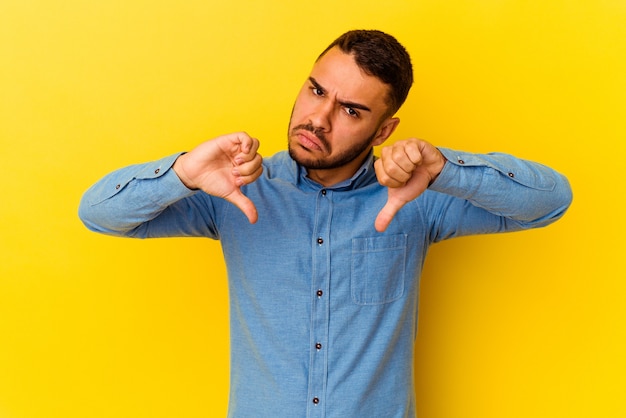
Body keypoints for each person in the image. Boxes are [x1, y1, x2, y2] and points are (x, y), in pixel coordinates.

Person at [79, 30, 572, 417]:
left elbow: (552, 200)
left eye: (351, 110)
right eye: (316, 90)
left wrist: (446, 168)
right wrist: (183, 172)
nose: (319, 118)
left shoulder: (416, 198)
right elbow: (98, 213)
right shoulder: (233, 189)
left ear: (383, 130)